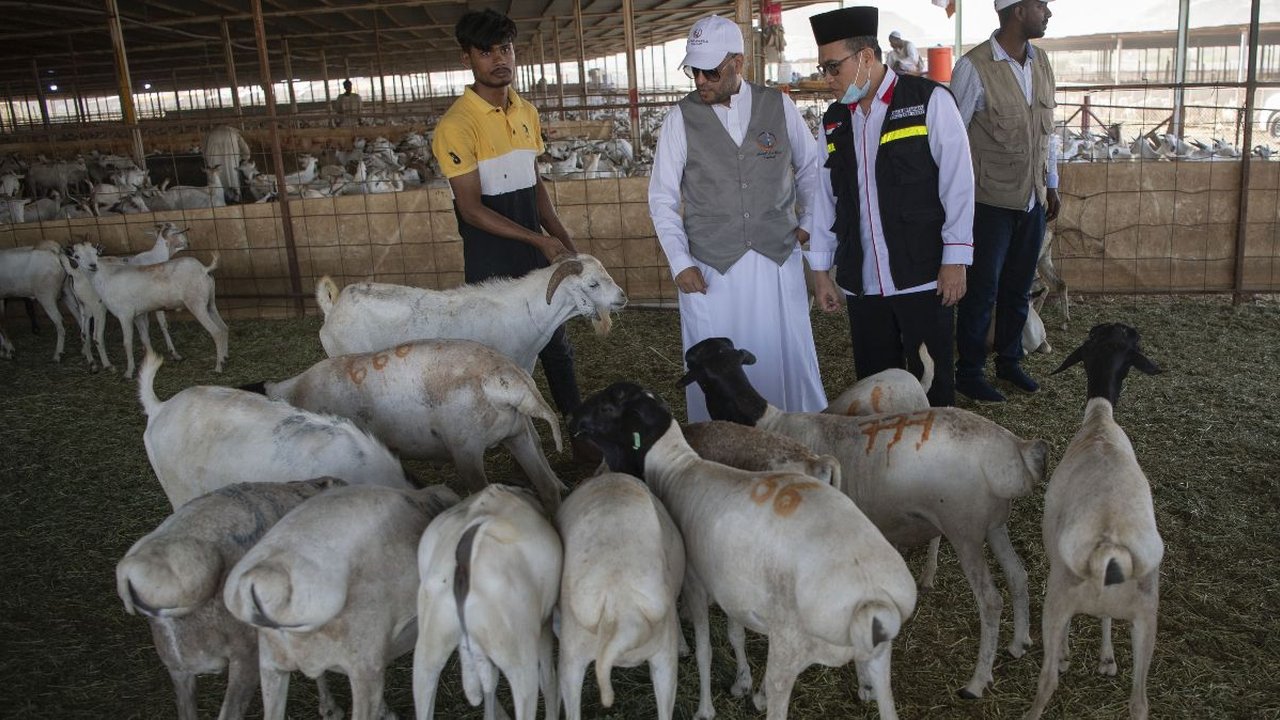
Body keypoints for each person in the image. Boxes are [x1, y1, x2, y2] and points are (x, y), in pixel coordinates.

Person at [431, 9, 597, 463]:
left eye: (505, 48)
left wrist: (562, 238)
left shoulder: (525, 110)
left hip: (533, 249)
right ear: (467, 57)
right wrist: (539, 241)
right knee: (495, 351)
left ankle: (577, 427)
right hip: (490, 258)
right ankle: (502, 438)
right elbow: (470, 208)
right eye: (486, 51)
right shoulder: (456, 125)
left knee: (555, 340)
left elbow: (533, 183)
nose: (498, 59)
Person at [649, 14, 827, 423]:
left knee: (785, 356)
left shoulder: (777, 105)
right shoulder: (679, 119)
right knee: (720, 366)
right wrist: (681, 262)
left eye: (710, 71)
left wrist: (809, 219)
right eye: (694, 71)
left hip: (775, 261)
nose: (700, 81)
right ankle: (723, 454)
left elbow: (811, 169)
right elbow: (661, 198)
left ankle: (798, 443)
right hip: (714, 270)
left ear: (738, 64)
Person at [806, 6, 975, 407]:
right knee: (876, 392)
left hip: (922, 276)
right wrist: (821, 272)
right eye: (824, 69)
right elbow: (824, 197)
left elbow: (959, 184)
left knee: (929, 389)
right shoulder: (833, 121)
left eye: (834, 67)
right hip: (863, 283)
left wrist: (955, 259)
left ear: (865, 57)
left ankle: (935, 466)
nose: (828, 79)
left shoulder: (928, 101)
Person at [951, 0, 1060, 402]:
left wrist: (1051, 182)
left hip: (1031, 199)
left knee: (1019, 287)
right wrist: (955, 202)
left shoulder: (1042, 63)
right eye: (1041, 6)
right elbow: (951, 137)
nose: (1047, 13)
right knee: (982, 289)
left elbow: (1049, 130)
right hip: (988, 202)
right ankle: (970, 370)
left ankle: (1011, 362)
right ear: (1017, 11)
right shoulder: (972, 67)